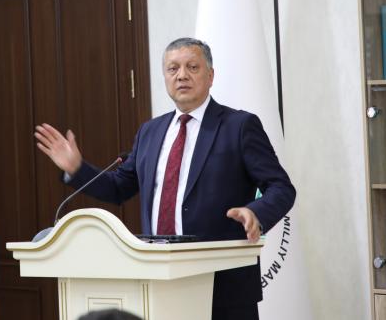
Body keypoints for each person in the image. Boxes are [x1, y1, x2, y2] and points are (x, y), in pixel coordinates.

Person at [35, 37, 296, 320]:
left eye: (192, 67)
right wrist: (77, 168)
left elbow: (281, 187)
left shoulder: (239, 126)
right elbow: (119, 187)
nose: (181, 75)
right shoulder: (150, 131)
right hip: (159, 282)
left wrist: (256, 212)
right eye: (173, 69)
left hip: (224, 285)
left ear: (210, 76)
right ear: (165, 77)